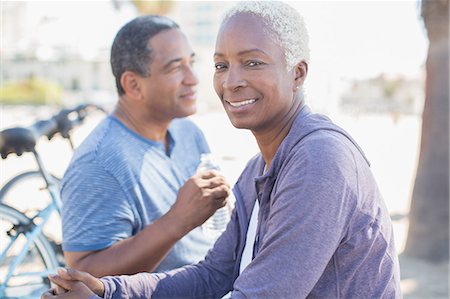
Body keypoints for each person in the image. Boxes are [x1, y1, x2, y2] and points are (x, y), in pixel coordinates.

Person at [43, 1, 401, 298]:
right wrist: (108, 291)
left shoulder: (320, 160)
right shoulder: (257, 169)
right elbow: (215, 274)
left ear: (298, 74)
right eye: (221, 65)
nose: (230, 81)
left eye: (253, 62)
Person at [59, 15, 230, 278]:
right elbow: (84, 274)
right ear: (133, 85)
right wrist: (177, 221)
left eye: (191, 63)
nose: (193, 78)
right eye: (175, 68)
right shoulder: (99, 163)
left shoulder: (187, 131)